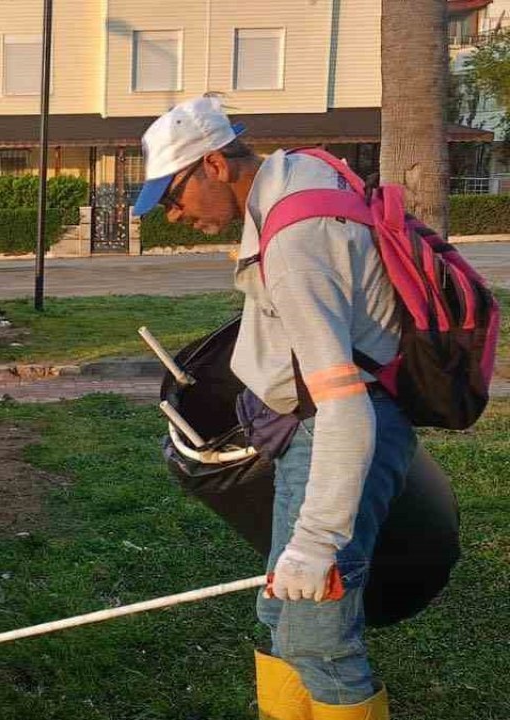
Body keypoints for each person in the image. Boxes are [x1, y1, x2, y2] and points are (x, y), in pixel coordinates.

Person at [133, 95, 412, 720]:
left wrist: (317, 542)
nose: (173, 216)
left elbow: (345, 407)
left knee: (317, 635)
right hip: (305, 426)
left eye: (172, 197)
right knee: (279, 612)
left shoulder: (296, 242)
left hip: (339, 431)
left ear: (213, 164)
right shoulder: (294, 176)